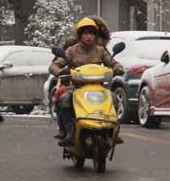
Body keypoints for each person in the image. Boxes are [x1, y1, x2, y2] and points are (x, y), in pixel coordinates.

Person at [49, 17, 124, 146]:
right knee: (65, 100)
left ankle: (113, 131)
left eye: (91, 33)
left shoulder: (100, 50)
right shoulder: (71, 50)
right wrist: (60, 72)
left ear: (95, 35)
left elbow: (113, 63)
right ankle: (69, 133)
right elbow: (54, 66)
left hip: (99, 87)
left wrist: (118, 68)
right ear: (80, 36)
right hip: (77, 87)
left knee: (114, 99)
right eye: (85, 33)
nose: (89, 36)